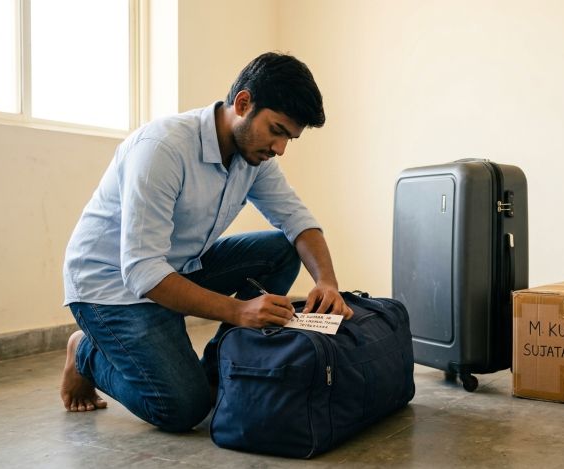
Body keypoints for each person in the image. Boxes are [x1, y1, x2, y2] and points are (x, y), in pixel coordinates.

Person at [60, 52, 353, 432]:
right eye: (277, 131)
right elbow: (142, 272)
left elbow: (298, 221)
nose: (280, 148)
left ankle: (220, 368)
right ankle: (85, 351)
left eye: (289, 139)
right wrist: (239, 312)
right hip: (110, 288)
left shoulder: (254, 158)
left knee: (281, 250)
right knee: (182, 409)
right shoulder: (162, 149)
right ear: (244, 103)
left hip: (177, 270)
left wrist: (327, 281)